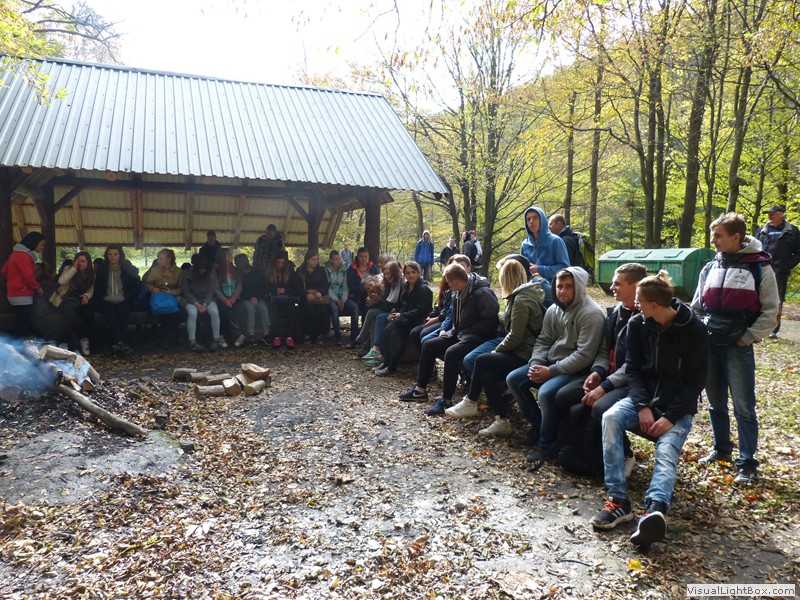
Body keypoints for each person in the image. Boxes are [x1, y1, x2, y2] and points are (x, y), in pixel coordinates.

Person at [591, 272, 708, 551]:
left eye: (640, 301)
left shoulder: (694, 330)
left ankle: (654, 509)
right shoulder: (638, 324)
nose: (636, 306)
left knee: (666, 450)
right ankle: (618, 500)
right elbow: (633, 370)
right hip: (642, 400)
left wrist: (669, 417)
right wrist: (642, 406)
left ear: (654, 304)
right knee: (610, 417)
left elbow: (696, 382)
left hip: (677, 407)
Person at [693, 212, 779, 484]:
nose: (713, 241)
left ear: (736, 237)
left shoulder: (760, 268)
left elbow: (771, 311)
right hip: (710, 345)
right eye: (713, 235)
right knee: (715, 403)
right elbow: (697, 307)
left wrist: (747, 338)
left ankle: (747, 463)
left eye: (718, 236)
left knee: (743, 407)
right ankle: (721, 450)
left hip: (738, 347)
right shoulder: (710, 267)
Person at [552, 263, 647, 476]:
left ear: (635, 286)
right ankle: (569, 447)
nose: (611, 287)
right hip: (608, 376)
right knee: (564, 395)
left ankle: (625, 454)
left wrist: (604, 386)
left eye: (617, 284)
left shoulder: (645, 319)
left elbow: (634, 365)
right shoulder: (615, 314)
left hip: (630, 381)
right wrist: (597, 372)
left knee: (599, 406)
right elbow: (604, 350)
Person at [506, 267, 604, 458]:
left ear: (579, 287)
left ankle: (546, 446)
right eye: (559, 286)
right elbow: (544, 340)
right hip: (551, 363)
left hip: (576, 371)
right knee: (514, 379)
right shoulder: (554, 309)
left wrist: (550, 371)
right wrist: (536, 363)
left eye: (569, 286)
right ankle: (538, 425)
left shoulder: (591, 314)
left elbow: (584, 355)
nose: (562, 291)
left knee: (546, 393)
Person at [444, 258, 545, 436]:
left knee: (482, 360)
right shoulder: (518, 296)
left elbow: (515, 336)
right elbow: (511, 322)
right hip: (519, 349)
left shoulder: (522, 300)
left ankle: (470, 402)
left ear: (506, 278)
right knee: (487, 375)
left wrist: (496, 351)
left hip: (525, 353)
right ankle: (502, 421)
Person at [399, 262, 499, 414]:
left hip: (478, 337)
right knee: (429, 345)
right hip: (461, 333)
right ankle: (420, 390)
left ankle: (446, 400)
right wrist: (448, 331)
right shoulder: (459, 292)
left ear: (455, 281)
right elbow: (454, 318)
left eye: (449, 282)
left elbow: (490, 322)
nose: (449, 286)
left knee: (452, 353)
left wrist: (467, 331)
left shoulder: (482, 292)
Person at [374, 261, 433, 376]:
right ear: (404, 274)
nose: (410, 275)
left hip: (418, 320)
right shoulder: (407, 286)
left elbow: (421, 310)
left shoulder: (424, 289)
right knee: (387, 330)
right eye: (408, 273)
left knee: (395, 332)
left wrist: (402, 315)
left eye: (413, 272)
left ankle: (392, 366)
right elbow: (403, 305)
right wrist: (395, 313)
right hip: (407, 318)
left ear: (418, 273)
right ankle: (386, 362)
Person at [754, 205, 800, 338]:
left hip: (780, 271)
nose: (769, 216)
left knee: (777, 300)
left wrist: (787, 265)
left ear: (781, 214)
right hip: (761, 268)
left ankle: (773, 330)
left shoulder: (793, 231)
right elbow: (754, 248)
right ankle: (757, 327)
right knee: (757, 296)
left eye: (772, 213)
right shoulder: (761, 231)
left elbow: (798, 252)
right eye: (768, 213)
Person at [93, 244, 141, 355]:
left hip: (123, 299)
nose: (113, 257)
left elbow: (134, 287)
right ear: (106, 255)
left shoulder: (126, 269)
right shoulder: (102, 269)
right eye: (110, 254)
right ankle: (120, 342)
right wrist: (104, 297)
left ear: (120, 255)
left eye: (115, 254)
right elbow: (97, 288)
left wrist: (125, 297)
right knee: (111, 315)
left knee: (123, 314)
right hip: (106, 299)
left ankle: (118, 342)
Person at [50, 251, 95, 355]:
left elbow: (92, 288)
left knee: (89, 315)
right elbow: (61, 281)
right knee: (73, 318)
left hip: (80, 299)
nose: (80, 263)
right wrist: (74, 268)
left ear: (88, 263)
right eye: (78, 261)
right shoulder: (69, 269)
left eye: (83, 261)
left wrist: (87, 296)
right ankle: (68, 343)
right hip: (65, 299)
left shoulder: (92, 274)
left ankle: (84, 340)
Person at [1, 231, 45, 337]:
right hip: (22, 294)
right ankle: (17, 345)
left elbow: (4, 271)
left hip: (13, 293)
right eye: (42, 244)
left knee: (22, 322)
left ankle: (17, 344)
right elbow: (29, 276)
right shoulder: (24, 256)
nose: (42, 247)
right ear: (34, 243)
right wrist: (38, 288)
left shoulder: (14, 254)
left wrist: (14, 280)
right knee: (23, 325)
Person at [361, 261, 404, 366]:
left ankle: (373, 348)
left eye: (389, 273)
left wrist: (379, 300)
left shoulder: (401, 285)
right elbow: (387, 305)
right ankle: (374, 350)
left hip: (399, 313)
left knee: (379, 317)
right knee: (372, 315)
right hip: (390, 311)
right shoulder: (388, 284)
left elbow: (397, 305)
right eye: (385, 274)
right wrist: (376, 301)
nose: (387, 276)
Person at [182, 254, 222, 352]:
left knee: (214, 312)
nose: (202, 271)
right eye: (200, 269)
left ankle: (216, 339)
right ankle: (192, 341)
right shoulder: (187, 273)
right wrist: (196, 303)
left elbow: (211, 290)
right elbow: (186, 291)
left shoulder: (211, 273)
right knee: (192, 313)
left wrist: (204, 303)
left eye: (204, 269)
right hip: (191, 300)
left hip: (208, 299)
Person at [520, 207, 570, 284]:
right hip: (530, 287)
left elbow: (565, 269)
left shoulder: (555, 241)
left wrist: (539, 269)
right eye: (528, 219)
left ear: (542, 220)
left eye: (535, 218)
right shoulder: (525, 244)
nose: (531, 221)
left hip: (552, 287)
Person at [295, 250, 331, 343]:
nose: (315, 261)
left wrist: (320, 292)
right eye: (313, 259)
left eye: (317, 259)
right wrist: (306, 294)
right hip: (305, 298)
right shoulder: (300, 271)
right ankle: (308, 334)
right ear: (307, 260)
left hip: (319, 298)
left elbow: (326, 284)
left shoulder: (321, 270)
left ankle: (319, 334)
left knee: (322, 311)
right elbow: (296, 287)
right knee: (308, 311)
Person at [345, 246, 380, 343]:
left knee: (369, 306)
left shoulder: (373, 267)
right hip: (355, 297)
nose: (364, 259)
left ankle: (367, 335)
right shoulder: (351, 269)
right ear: (357, 257)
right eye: (361, 256)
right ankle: (355, 335)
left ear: (368, 257)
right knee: (362, 306)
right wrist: (365, 290)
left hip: (371, 296)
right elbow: (351, 286)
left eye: (366, 256)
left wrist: (372, 294)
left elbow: (378, 281)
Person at [266, 250, 300, 349]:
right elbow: (266, 287)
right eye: (278, 262)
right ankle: (276, 337)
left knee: (291, 309)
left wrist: (285, 290)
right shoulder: (269, 271)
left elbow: (295, 286)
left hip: (288, 298)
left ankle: (289, 336)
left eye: (282, 263)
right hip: (273, 298)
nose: (280, 265)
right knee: (273, 311)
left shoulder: (290, 270)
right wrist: (275, 290)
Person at [234, 253, 270, 346]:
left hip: (258, 297)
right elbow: (240, 290)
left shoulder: (256, 272)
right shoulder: (237, 274)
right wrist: (249, 298)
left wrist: (257, 298)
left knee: (263, 309)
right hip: (245, 298)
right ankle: (251, 333)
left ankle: (266, 332)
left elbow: (262, 287)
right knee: (250, 309)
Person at [325, 250, 357, 343]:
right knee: (334, 308)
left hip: (343, 296)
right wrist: (336, 300)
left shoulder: (344, 270)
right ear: (331, 260)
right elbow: (327, 288)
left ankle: (354, 335)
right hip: (331, 297)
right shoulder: (326, 270)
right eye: (336, 259)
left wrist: (343, 300)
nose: (338, 261)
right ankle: (337, 335)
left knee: (355, 307)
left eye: (339, 259)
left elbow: (345, 286)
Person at [214, 248, 241, 348]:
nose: (231, 257)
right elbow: (215, 288)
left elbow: (239, 285)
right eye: (228, 255)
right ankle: (222, 336)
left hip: (234, 298)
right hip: (221, 298)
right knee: (223, 313)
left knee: (239, 311)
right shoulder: (216, 270)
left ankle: (238, 335)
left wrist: (233, 298)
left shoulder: (234, 269)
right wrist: (225, 300)